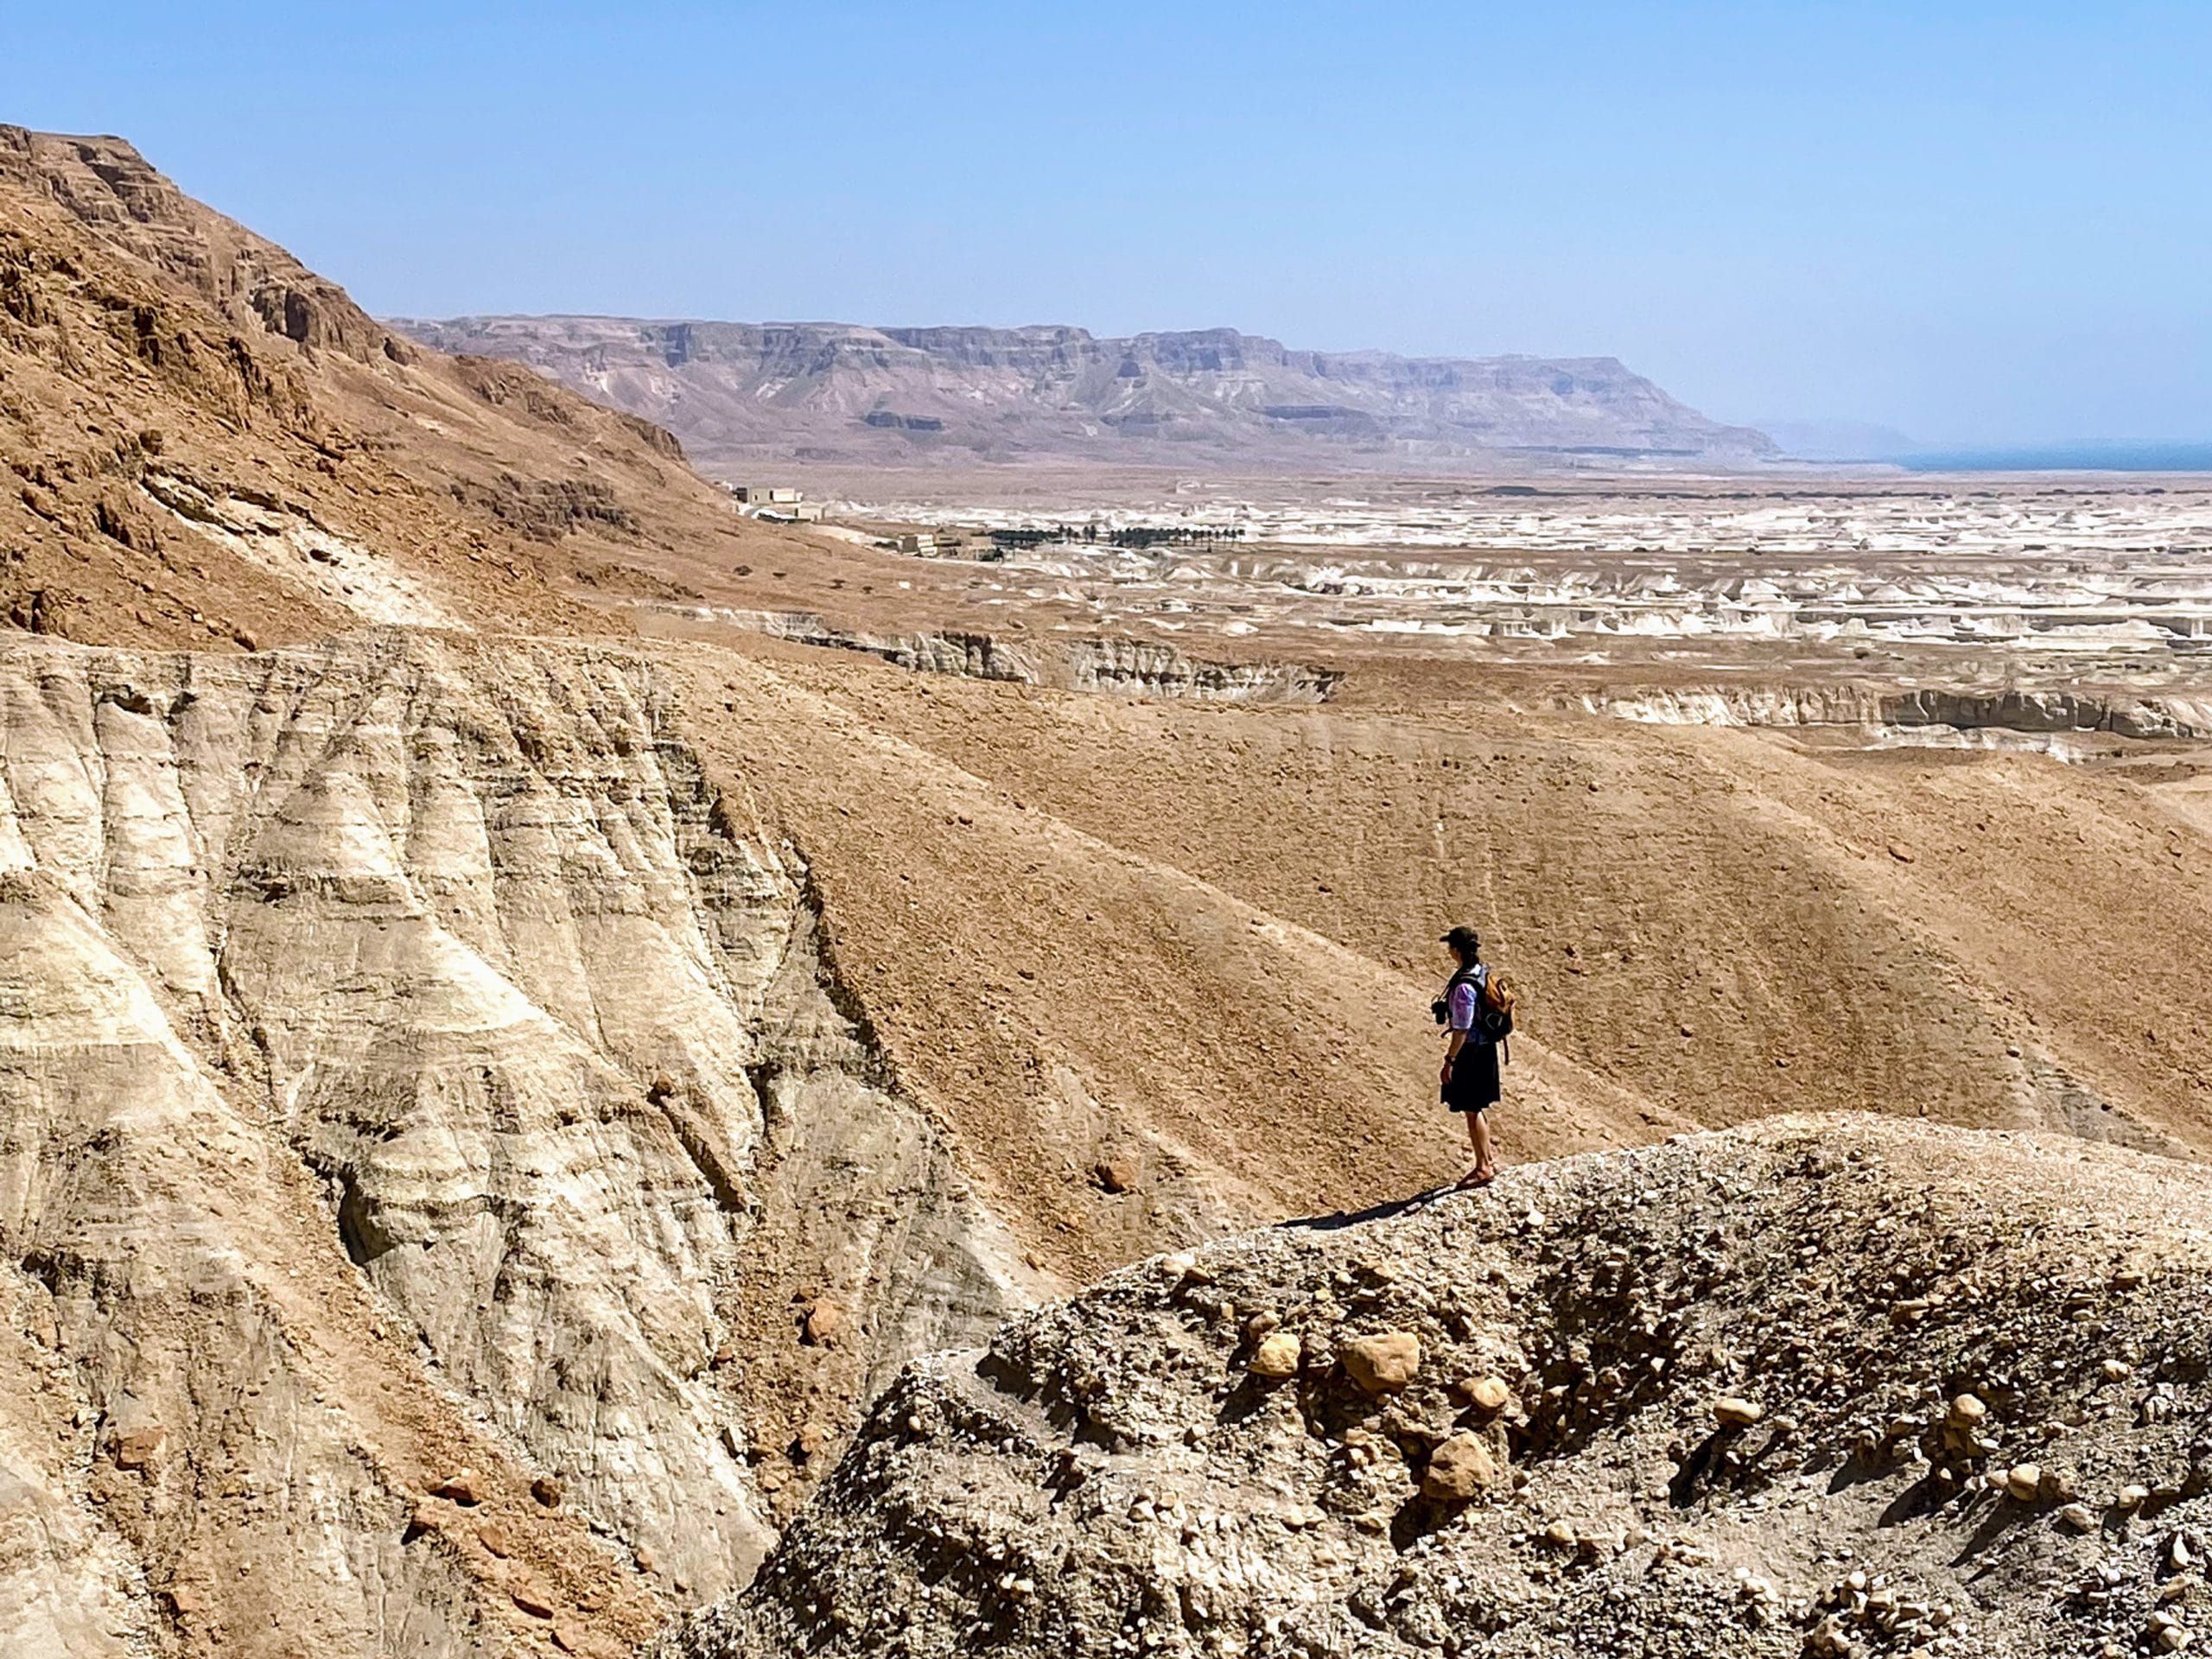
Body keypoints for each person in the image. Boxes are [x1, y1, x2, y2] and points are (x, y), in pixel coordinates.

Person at [1437, 925, 1501, 1188]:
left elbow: (1461, 1028)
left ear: (1456, 950)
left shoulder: (1464, 985)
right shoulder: (1480, 972)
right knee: (1476, 1107)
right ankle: (1486, 1159)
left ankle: (1483, 1168)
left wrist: (1450, 1060)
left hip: (1471, 1052)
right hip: (1486, 1048)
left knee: (1471, 1110)